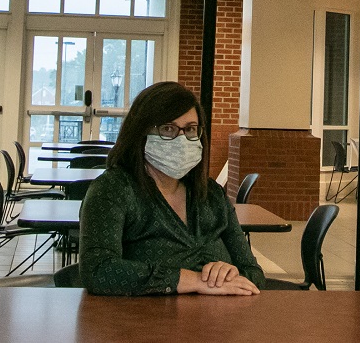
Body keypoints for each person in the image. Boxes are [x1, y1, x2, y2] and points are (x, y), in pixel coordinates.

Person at [79, 81, 265, 296]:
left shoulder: (210, 194)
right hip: (144, 323)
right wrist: (191, 280)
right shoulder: (113, 190)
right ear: (140, 132)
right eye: (168, 129)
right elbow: (97, 270)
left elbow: (254, 273)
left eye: (191, 129)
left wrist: (231, 274)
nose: (182, 139)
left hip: (217, 322)